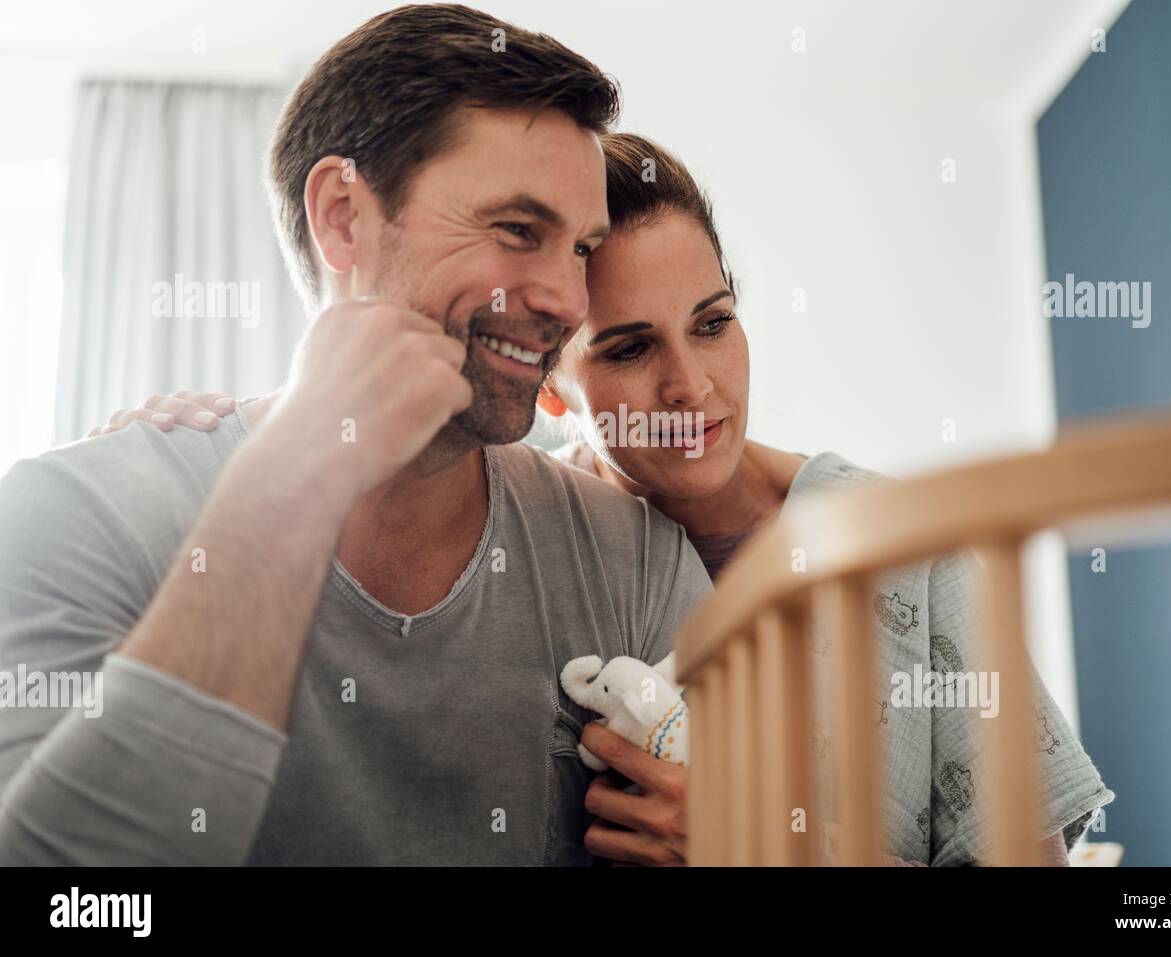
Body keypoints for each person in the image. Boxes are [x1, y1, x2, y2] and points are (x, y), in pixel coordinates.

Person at [98, 131, 1115, 866]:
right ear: (549, 381)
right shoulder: (519, 534)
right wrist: (208, 438)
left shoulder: (906, 549)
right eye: (628, 349)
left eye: (712, 323)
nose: (691, 388)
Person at [0, 4, 713, 866]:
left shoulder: (634, 560)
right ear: (343, 216)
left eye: (580, 250)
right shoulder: (76, 514)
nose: (568, 299)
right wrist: (292, 471)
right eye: (518, 231)